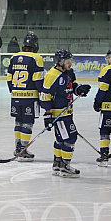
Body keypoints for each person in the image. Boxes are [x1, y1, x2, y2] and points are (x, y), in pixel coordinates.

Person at [40, 49, 91, 177]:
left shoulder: (69, 72)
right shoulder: (52, 75)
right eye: (67, 61)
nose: (70, 64)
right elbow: (45, 95)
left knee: (60, 139)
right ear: (59, 62)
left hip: (67, 112)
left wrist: (79, 89)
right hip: (59, 115)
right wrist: (48, 115)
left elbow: (72, 86)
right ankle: (65, 167)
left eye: (70, 61)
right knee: (70, 138)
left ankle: (57, 165)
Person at [6, 33, 45, 161]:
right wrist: (42, 95)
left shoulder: (13, 57)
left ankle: (17, 147)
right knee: (28, 122)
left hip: (16, 96)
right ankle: (23, 150)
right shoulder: (36, 58)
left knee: (18, 121)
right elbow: (37, 80)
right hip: (30, 97)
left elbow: (9, 78)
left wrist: (14, 92)